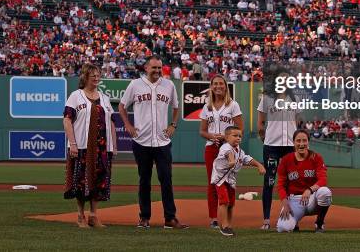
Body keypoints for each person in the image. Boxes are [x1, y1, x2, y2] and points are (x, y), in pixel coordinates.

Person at [118, 56, 189, 229]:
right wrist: (127, 125)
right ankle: (144, 218)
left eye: (160, 68)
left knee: (166, 180)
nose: (157, 71)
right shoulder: (135, 84)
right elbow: (121, 106)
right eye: (154, 68)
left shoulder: (169, 85)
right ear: (146, 68)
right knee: (144, 181)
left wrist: (173, 124)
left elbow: (176, 106)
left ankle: (170, 219)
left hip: (162, 142)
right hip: (141, 141)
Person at [63, 63, 117, 228]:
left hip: (102, 147)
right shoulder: (76, 96)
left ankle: (94, 215)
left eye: (98, 74)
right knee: (80, 181)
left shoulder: (105, 98)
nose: (96, 77)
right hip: (81, 146)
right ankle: (80, 216)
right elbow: (67, 119)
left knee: (99, 180)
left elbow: (112, 122)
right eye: (92, 75)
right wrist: (72, 143)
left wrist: (114, 145)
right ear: (85, 77)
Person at [199, 74, 243, 228]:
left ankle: (228, 216)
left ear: (226, 86)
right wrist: (211, 135)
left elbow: (240, 128)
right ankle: (213, 218)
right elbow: (202, 131)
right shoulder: (207, 106)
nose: (218, 86)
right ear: (211, 87)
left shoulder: (233, 105)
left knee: (229, 182)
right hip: (211, 147)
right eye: (215, 84)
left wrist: (227, 138)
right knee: (213, 182)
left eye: (221, 84)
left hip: (228, 149)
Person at [257, 88, 301, 230]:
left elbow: (297, 122)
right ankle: (266, 219)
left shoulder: (295, 99)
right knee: (269, 181)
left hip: (290, 145)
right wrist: (265, 139)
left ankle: (294, 219)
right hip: (272, 145)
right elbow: (260, 123)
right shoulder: (267, 99)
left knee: (293, 181)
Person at [210, 125, 265, 236]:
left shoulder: (240, 151)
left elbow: (247, 159)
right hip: (220, 179)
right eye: (235, 135)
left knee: (231, 204)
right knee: (224, 201)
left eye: (240, 136)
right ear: (226, 137)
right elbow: (229, 155)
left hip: (231, 180)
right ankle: (224, 226)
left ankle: (229, 226)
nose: (238, 138)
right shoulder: (225, 147)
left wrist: (259, 165)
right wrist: (231, 161)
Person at [276, 129, 332, 233]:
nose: (301, 144)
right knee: (282, 228)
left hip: (312, 199)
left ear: (308, 142)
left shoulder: (316, 157)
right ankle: (295, 223)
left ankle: (319, 223)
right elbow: (280, 185)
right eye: (298, 141)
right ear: (293, 143)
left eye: (304, 140)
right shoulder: (286, 160)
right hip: (294, 201)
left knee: (325, 192)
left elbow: (323, 180)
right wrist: (285, 203)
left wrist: (309, 190)